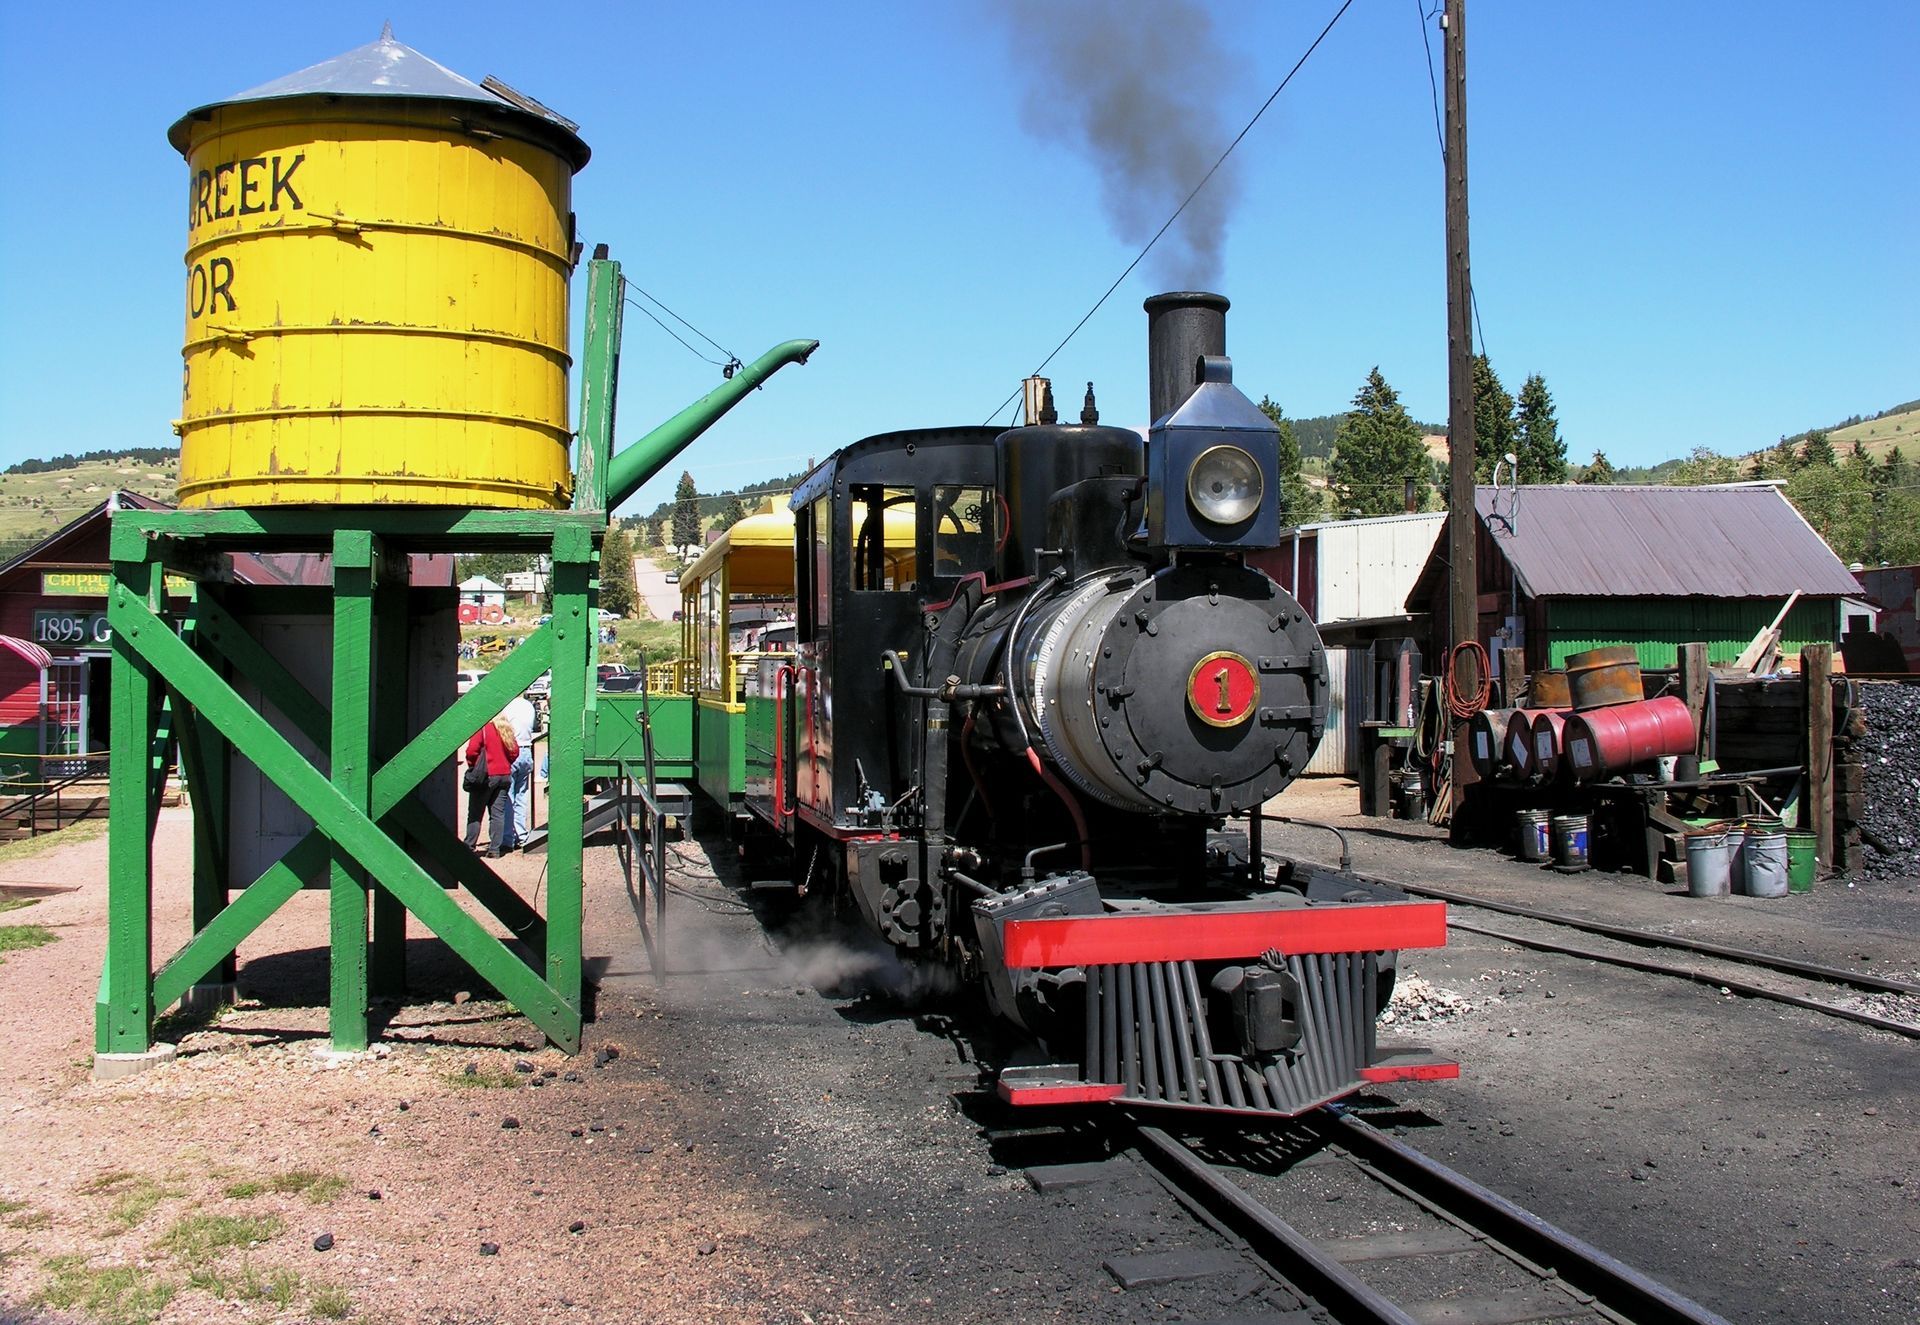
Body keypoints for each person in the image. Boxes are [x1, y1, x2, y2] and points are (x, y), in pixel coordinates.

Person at [463, 716, 518, 858]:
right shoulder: (506, 729)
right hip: (504, 775)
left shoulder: (483, 728)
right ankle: (495, 849)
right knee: (497, 814)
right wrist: (505, 763)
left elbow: (472, 750)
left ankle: (469, 846)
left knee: (475, 813)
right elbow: (515, 752)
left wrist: (473, 766)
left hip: (486, 776)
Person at [503, 691, 537, 850]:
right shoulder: (528, 706)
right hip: (526, 750)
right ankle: (521, 834)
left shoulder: (507, 706)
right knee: (521, 795)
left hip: (511, 750)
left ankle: (507, 837)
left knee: (508, 796)